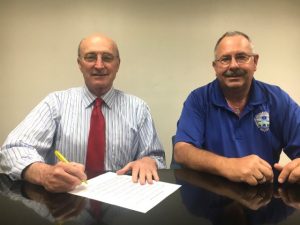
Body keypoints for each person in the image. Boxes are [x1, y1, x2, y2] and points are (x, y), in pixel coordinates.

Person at [0, 33, 166, 192]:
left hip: (122, 205)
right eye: (90, 57)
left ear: (118, 64)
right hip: (65, 205)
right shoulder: (55, 103)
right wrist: (44, 173)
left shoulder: (138, 108)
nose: (99, 65)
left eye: (107, 58)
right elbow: (12, 149)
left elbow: (157, 158)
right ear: (79, 63)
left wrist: (148, 161)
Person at [174, 31, 300, 186]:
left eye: (241, 57)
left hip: (265, 196)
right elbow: (182, 151)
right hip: (212, 197)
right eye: (225, 59)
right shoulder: (198, 99)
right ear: (215, 67)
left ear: (255, 62)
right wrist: (228, 165)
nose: (233, 65)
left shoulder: (277, 99)